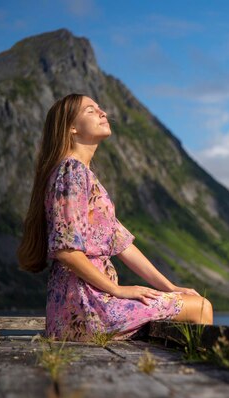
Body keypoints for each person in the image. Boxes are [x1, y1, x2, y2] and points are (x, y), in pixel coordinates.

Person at [17, 93, 213, 341]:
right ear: (72, 128)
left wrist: (170, 288)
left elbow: (123, 245)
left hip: (81, 307)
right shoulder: (72, 171)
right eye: (90, 110)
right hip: (87, 308)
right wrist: (117, 290)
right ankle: (200, 378)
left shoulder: (82, 175)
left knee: (193, 302)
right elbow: (66, 250)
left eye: (100, 108)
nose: (103, 113)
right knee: (202, 308)